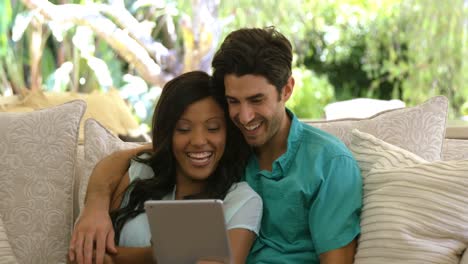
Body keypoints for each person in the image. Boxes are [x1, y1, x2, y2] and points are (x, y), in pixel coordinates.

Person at [70, 27, 362, 264]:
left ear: (286, 90)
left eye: (256, 100)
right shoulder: (227, 143)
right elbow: (143, 154)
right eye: (234, 101)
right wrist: (95, 205)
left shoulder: (329, 164)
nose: (245, 117)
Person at [68, 71, 262, 264]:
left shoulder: (242, 200)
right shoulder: (142, 172)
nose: (198, 141)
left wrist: (130, 257)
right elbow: (83, 257)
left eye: (213, 128)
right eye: (183, 129)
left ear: (228, 133)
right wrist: (96, 204)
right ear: (168, 133)